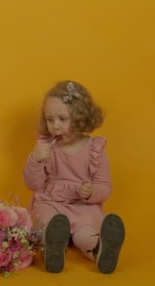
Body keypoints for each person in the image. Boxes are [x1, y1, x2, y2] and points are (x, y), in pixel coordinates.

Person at [23, 80, 125, 274]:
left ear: (79, 117)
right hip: (50, 202)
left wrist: (91, 192)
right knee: (47, 221)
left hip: (82, 205)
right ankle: (52, 249)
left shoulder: (95, 148)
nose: (55, 126)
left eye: (62, 119)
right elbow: (32, 184)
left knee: (85, 232)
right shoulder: (46, 147)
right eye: (50, 119)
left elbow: (104, 186)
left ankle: (99, 250)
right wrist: (35, 160)